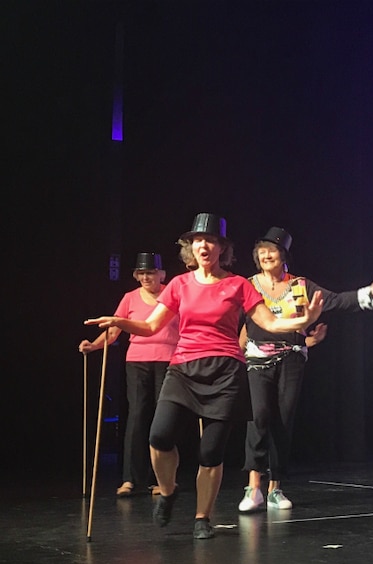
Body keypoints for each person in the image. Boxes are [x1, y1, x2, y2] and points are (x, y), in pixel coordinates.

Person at [86, 213, 323, 540]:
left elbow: (268, 322)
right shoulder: (180, 285)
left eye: (210, 240)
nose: (203, 246)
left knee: (211, 453)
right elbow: (152, 326)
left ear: (221, 248)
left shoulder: (238, 285)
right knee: (159, 436)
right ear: (190, 247)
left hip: (225, 372)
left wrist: (301, 321)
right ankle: (168, 492)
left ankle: (202, 517)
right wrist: (119, 321)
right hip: (183, 368)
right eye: (198, 240)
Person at [237, 226, 373, 513]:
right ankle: (254, 487)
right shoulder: (247, 285)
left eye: (271, 250)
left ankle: (275, 487)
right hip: (258, 359)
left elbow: (336, 300)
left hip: (291, 359)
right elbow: (235, 321)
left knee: (283, 419)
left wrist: (369, 293)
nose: (265, 255)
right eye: (261, 251)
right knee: (259, 416)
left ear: (284, 255)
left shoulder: (301, 285)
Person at [79, 253, 179, 496]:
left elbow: (188, 324)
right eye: (141, 273)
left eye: (151, 273)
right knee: (136, 417)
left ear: (161, 274)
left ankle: (164, 480)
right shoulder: (129, 298)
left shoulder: (172, 294)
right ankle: (130, 479)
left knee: (163, 419)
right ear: (136, 276)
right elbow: (114, 331)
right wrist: (93, 346)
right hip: (137, 362)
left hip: (169, 360)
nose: (146, 277)